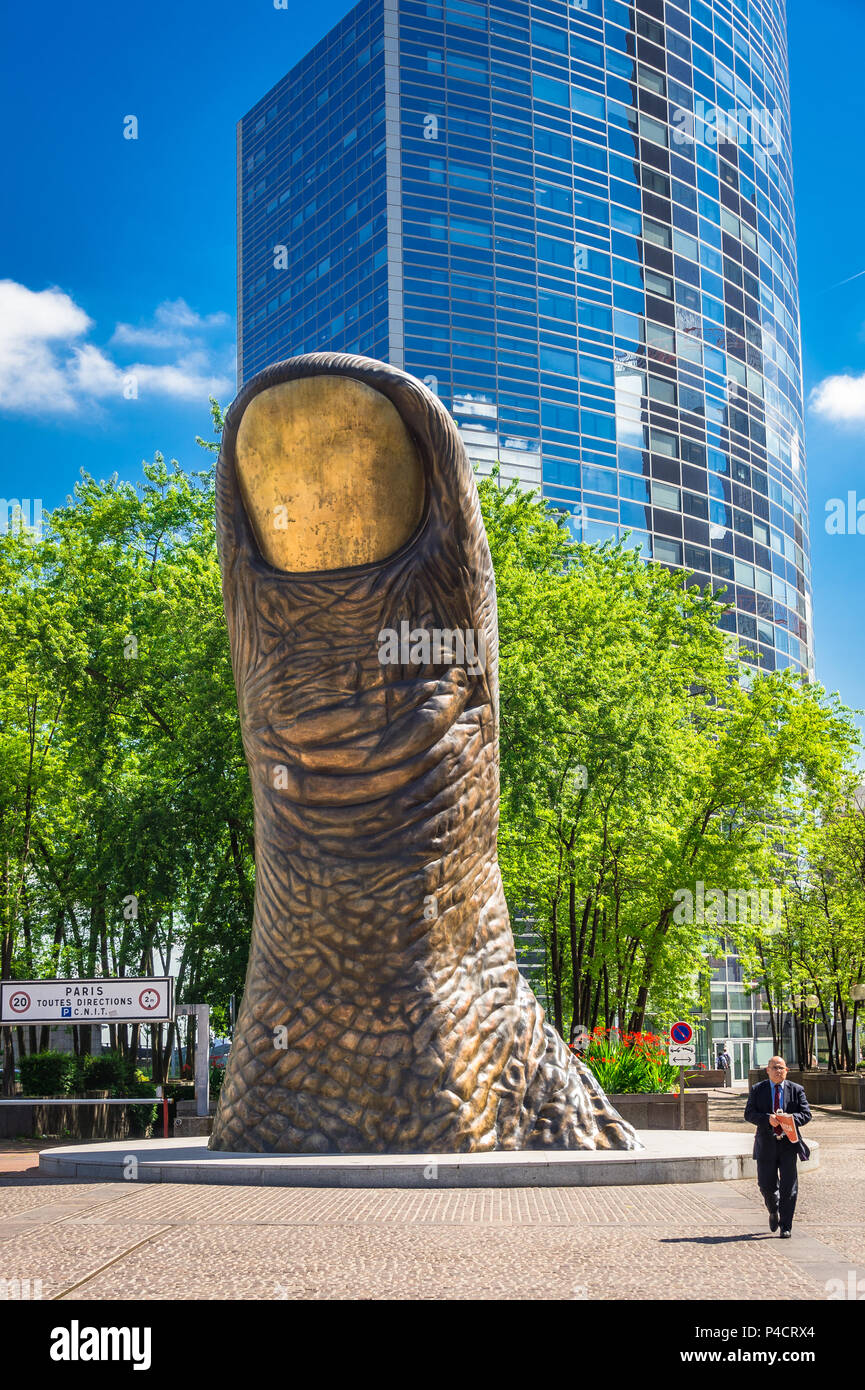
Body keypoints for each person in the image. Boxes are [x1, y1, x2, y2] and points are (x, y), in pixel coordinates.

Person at [744, 1056, 811, 1238]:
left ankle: (786, 1225)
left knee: (789, 1187)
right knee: (766, 1185)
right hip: (766, 1144)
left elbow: (806, 1114)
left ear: (786, 1070)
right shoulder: (758, 1090)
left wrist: (789, 1119)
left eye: (781, 1068)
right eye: (774, 1067)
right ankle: (773, 1210)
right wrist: (767, 1119)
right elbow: (749, 1114)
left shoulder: (797, 1090)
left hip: (788, 1145)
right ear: (767, 1070)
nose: (778, 1071)